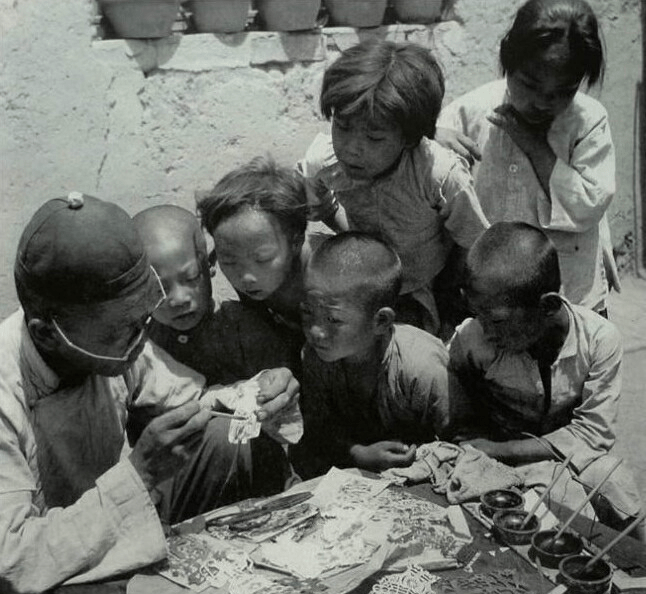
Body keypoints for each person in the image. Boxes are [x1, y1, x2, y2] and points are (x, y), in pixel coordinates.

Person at [0, 193, 299, 592]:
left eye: (140, 318)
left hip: (103, 519)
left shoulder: (115, 342)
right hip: (44, 562)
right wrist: (139, 475)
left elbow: (192, 398)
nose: (139, 339)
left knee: (227, 437)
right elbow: (12, 562)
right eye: (119, 330)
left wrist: (256, 393)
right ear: (45, 334)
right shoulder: (6, 393)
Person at [449, 221, 645, 541]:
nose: (485, 329)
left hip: (567, 460)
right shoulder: (473, 341)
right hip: (500, 467)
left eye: (496, 319)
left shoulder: (598, 341)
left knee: (614, 482)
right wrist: (481, 447)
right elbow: (458, 415)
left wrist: (500, 449)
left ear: (548, 306)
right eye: (478, 315)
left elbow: (592, 436)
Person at [436, 0, 618, 315]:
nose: (543, 102)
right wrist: (430, 136)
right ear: (508, 61)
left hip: (567, 293)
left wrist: (535, 146)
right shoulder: (471, 112)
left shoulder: (588, 122)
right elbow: (428, 175)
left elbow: (589, 203)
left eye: (563, 91)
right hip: (488, 300)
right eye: (530, 84)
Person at [298, 38, 489, 336]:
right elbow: (320, 204)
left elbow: (472, 241)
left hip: (428, 285)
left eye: (374, 138)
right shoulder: (323, 161)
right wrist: (358, 241)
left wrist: (449, 292)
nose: (352, 149)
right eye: (343, 127)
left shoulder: (439, 174)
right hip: (366, 283)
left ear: (410, 138)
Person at [134, 205, 302, 515]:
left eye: (190, 278)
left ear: (209, 264)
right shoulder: (141, 349)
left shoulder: (245, 327)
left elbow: (286, 408)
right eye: (158, 288)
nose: (178, 298)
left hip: (259, 479)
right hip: (188, 489)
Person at [292, 232, 459, 480]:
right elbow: (318, 430)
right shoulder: (317, 357)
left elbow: (463, 440)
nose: (315, 331)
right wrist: (358, 454)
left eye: (333, 319)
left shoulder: (420, 365)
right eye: (307, 313)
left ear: (381, 321)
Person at [197, 155, 314, 365]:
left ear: (296, 242)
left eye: (263, 258)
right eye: (229, 261)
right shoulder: (256, 279)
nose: (245, 277)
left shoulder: (324, 275)